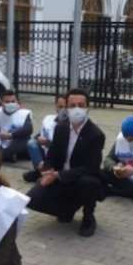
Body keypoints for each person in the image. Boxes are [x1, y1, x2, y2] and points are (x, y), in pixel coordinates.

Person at [26, 88, 105, 237]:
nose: (77, 109)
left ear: (88, 108)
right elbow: (53, 154)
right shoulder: (61, 128)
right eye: (72, 105)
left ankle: (88, 217)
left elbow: (91, 167)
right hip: (60, 175)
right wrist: (47, 169)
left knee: (89, 182)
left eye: (81, 105)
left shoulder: (96, 134)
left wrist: (58, 175)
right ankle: (66, 210)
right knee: (32, 199)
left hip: (81, 177)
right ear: (66, 107)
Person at [23, 96, 66, 183]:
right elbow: (41, 134)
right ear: (56, 107)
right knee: (31, 143)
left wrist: (48, 142)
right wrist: (38, 139)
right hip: (45, 155)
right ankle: (43, 172)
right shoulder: (48, 119)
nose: (63, 110)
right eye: (60, 107)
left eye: (66, 107)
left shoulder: (72, 124)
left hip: (60, 159)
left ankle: (40, 174)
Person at [0, 90, 32, 162]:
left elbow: (28, 129)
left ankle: (5, 155)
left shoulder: (24, 113)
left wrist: (10, 135)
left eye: (13, 101)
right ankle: (10, 155)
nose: (11, 104)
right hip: (0, 140)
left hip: (15, 139)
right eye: (7, 102)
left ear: (17, 102)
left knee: (24, 137)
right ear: (1, 103)